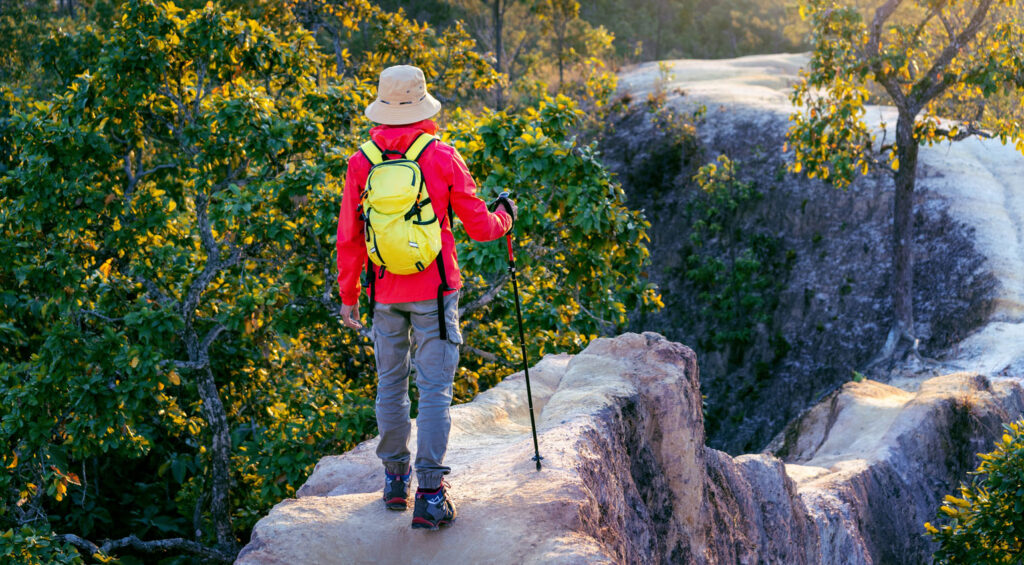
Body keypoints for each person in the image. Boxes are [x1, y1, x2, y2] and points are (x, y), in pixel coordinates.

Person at [336, 64, 516, 530]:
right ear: (422, 103)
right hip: (435, 293)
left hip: (382, 292)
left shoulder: (362, 161)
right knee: (433, 390)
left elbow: (349, 237)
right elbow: (479, 227)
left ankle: (395, 482)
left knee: (390, 385)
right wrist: (506, 220)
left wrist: (348, 295)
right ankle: (431, 495)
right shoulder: (441, 156)